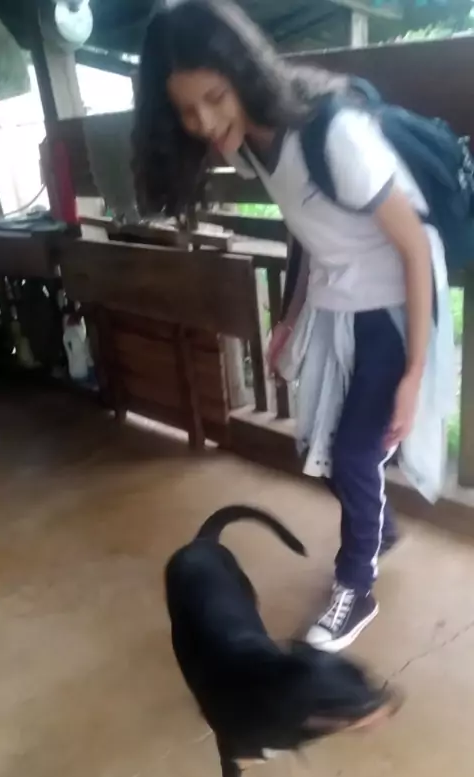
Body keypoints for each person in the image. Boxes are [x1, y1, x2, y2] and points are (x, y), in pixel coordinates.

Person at [132, 0, 455, 653]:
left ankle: (356, 586)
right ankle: (378, 528)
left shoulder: (333, 134)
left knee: (356, 453)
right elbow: (308, 230)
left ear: (243, 74)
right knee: (326, 447)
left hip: (393, 309)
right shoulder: (249, 146)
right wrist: (291, 314)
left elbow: (416, 249)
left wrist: (414, 372)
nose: (205, 123)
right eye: (187, 111)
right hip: (336, 307)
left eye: (214, 98)